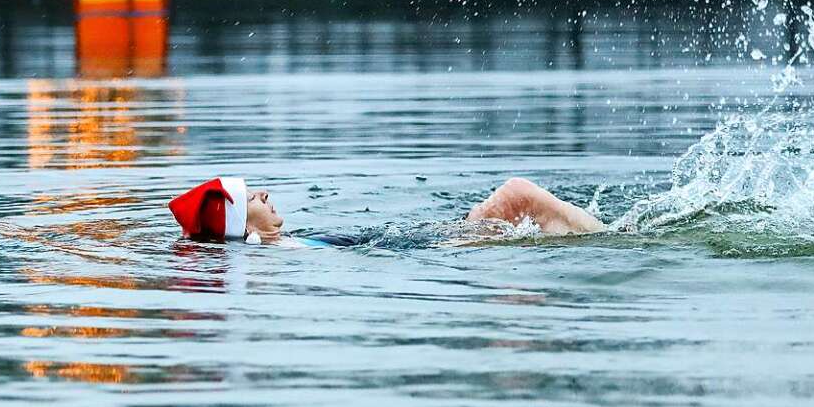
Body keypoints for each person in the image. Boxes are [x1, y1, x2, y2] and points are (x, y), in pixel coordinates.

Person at [168, 176, 604, 245]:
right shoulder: (267, 252)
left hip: (416, 241)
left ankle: (595, 235)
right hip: (428, 249)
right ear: (244, 228)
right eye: (251, 200)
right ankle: (607, 238)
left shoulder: (278, 247)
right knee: (517, 194)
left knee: (516, 200)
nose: (263, 193)